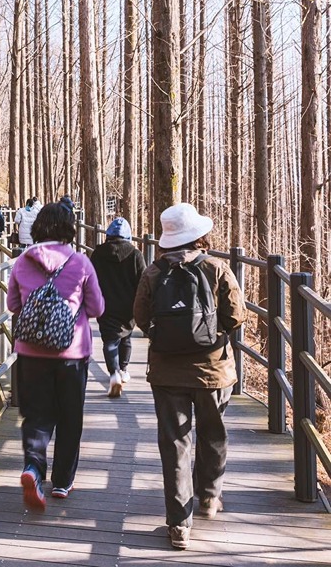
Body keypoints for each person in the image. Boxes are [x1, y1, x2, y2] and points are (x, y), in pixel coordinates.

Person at [133, 202, 246, 551]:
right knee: (213, 433)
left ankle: (179, 524)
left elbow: (140, 317)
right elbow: (236, 315)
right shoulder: (216, 268)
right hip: (213, 371)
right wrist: (212, 335)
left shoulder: (153, 273)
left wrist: (165, 336)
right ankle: (210, 496)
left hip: (167, 372)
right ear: (199, 235)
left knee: (175, 444)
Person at [7, 203, 104, 510]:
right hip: (71, 354)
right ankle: (62, 482)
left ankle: (33, 469)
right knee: (70, 417)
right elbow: (98, 308)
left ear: (37, 228)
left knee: (36, 415)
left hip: (30, 354)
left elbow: (12, 304)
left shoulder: (23, 261)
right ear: (69, 229)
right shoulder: (80, 262)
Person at [90, 217, 146, 398]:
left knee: (110, 340)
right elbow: (143, 280)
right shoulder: (135, 254)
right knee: (126, 337)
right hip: (128, 304)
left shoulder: (98, 253)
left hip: (105, 303)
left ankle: (114, 373)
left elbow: (91, 279)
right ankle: (123, 369)